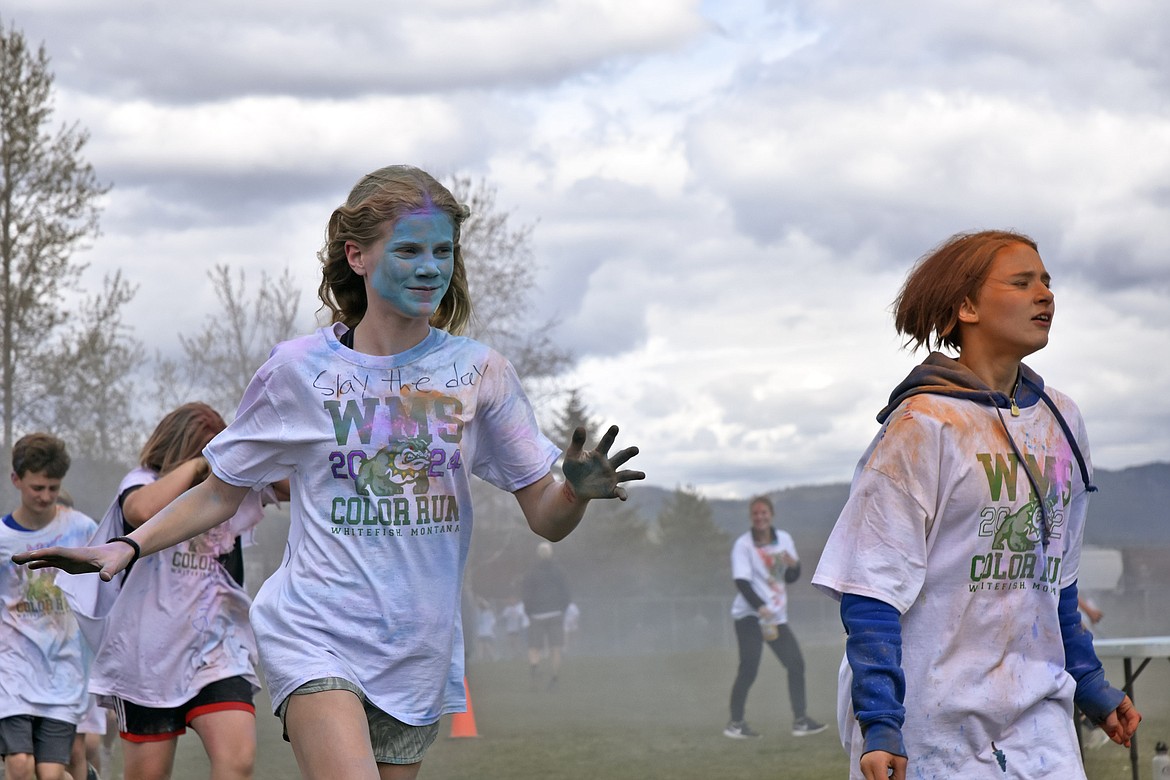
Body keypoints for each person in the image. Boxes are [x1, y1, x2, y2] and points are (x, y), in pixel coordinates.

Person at [16, 164, 644, 780]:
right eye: (409, 249)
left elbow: (545, 515)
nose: (431, 267)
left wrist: (575, 494)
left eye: (443, 251)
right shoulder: (298, 371)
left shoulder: (480, 374)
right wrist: (126, 547)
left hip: (417, 652)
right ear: (358, 255)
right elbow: (219, 493)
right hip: (314, 632)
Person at [810, 230, 1141, 779]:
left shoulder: (1063, 420)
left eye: (1047, 282)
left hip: (1039, 712)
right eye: (1021, 282)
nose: (1045, 294)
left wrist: (1090, 683)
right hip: (932, 718)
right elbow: (872, 591)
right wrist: (881, 722)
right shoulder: (921, 426)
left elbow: (1055, 580)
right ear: (966, 307)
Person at [78, 403, 281, 780]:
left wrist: (251, 446)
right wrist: (202, 465)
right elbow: (139, 511)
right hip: (146, 656)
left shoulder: (234, 487)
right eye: (208, 449)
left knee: (237, 761)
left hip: (217, 650)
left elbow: (287, 483)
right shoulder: (141, 480)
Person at [0, 434, 96, 780]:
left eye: (53, 488)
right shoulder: (2, 540)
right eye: (37, 487)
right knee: (21, 764)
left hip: (62, 673)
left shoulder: (82, 529)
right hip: (11, 671)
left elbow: (105, 586)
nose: (45, 496)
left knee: (53, 772)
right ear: (16, 480)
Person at [724, 496, 825, 740]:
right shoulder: (744, 545)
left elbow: (788, 577)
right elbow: (741, 581)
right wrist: (759, 607)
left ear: (771, 515)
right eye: (756, 513)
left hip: (775, 618)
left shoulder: (784, 540)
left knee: (795, 664)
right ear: (751, 517)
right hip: (749, 615)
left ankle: (800, 721)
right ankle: (735, 724)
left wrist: (795, 566)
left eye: (764, 513)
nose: (760, 517)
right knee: (749, 667)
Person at [522, 541, 571, 691]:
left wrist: (529, 611)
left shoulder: (531, 572)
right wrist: (562, 608)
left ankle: (535, 667)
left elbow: (527, 593)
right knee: (556, 648)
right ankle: (554, 678)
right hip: (556, 613)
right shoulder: (559, 571)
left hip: (536, 614)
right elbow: (566, 592)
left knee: (534, 646)